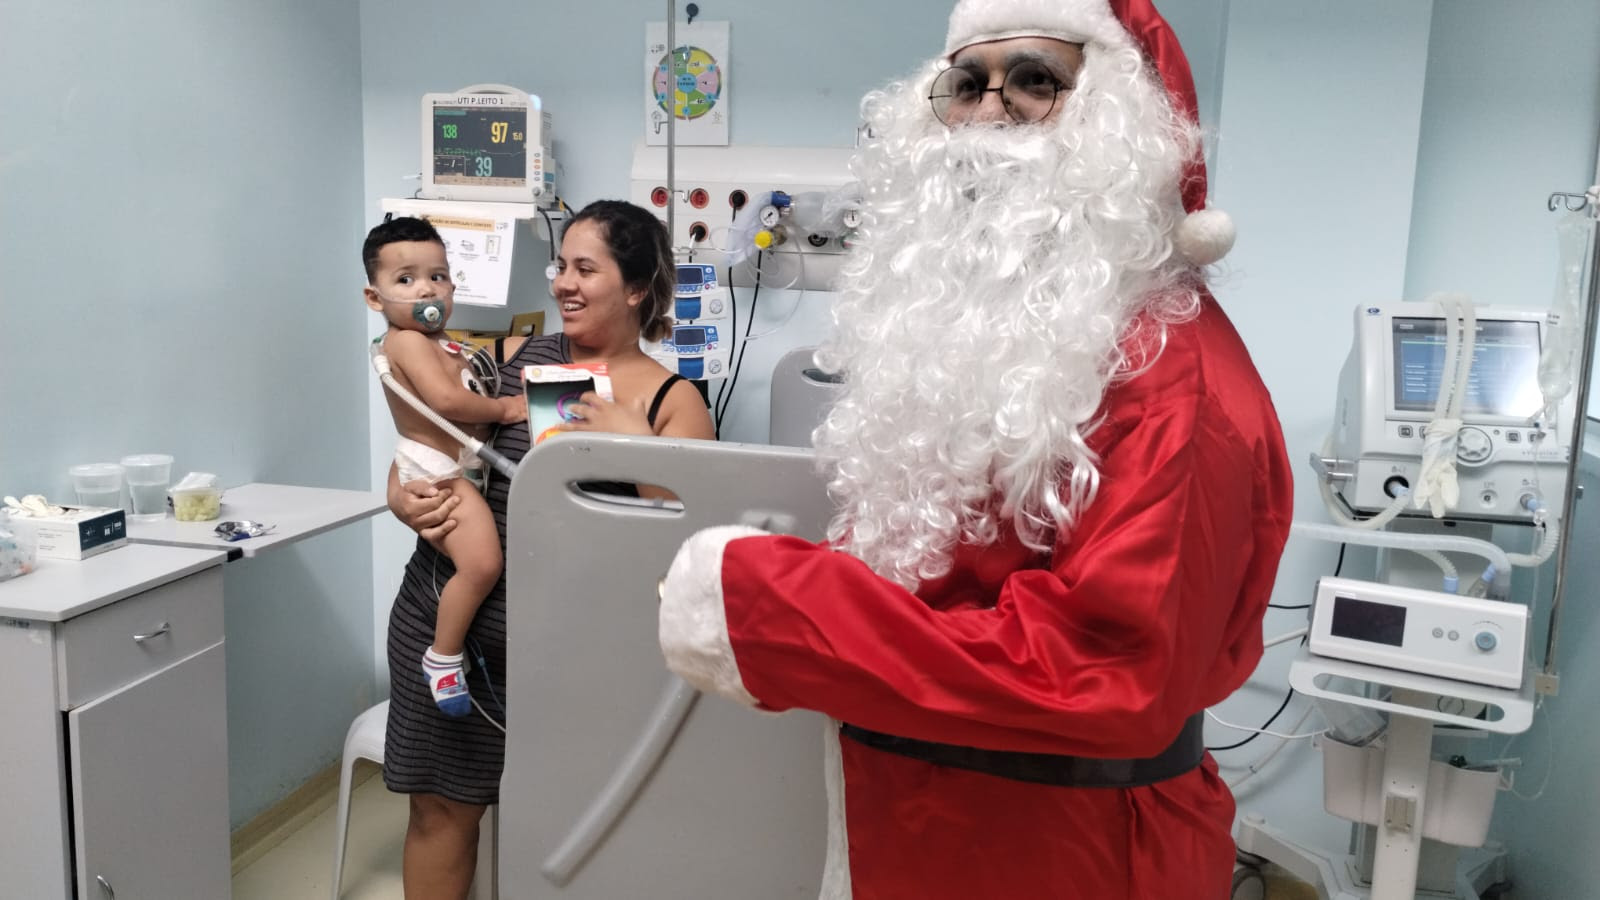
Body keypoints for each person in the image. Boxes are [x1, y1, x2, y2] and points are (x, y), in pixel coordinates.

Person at [657, 2, 1293, 898]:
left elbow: (1107, 673)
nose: (989, 111)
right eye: (966, 83)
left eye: (1036, 80)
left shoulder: (1169, 372)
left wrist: (779, 611)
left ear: (1117, 124)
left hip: (1070, 852)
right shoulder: (993, 337)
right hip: (926, 821)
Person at [383, 199, 715, 898]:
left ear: (635, 288)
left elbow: (694, 549)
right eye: (560, 264)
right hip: (451, 628)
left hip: (581, 653)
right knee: (440, 811)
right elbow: (429, 435)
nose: (562, 281)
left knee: (577, 825)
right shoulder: (509, 359)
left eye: (585, 268)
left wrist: (635, 443)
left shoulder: (671, 402)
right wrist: (397, 490)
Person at [365, 216, 527, 719]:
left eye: (438, 275)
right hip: (438, 469)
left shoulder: (444, 343)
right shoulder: (406, 341)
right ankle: (443, 655)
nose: (427, 288)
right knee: (481, 565)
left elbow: (468, 373)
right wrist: (504, 410)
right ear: (376, 299)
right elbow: (443, 400)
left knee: (479, 561)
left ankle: (447, 652)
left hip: (453, 464)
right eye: (406, 279)